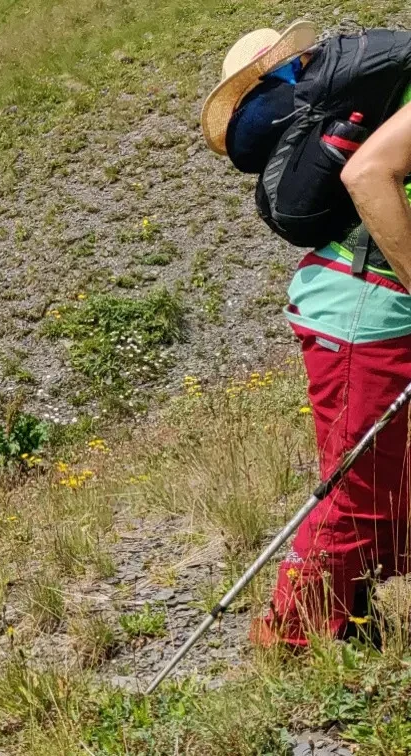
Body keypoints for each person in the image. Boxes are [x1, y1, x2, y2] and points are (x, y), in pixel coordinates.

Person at [202, 21, 411, 646]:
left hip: (366, 301)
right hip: (360, 312)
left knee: (388, 482)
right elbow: (366, 176)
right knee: (360, 494)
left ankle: (348, 612)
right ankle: (291, 643)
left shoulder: (378, 90)